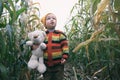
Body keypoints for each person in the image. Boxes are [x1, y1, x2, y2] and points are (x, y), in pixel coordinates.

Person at [40, 13, 69, 80]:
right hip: (46, 64)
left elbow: (65, 46)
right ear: (45, 23)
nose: (52, 20)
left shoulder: (60, 34)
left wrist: (65, 57)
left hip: (58, 64)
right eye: (49, 18)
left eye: (54, 18)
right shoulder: (43, 35)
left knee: (58, 77)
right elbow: (39, 48)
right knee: (47, 77)